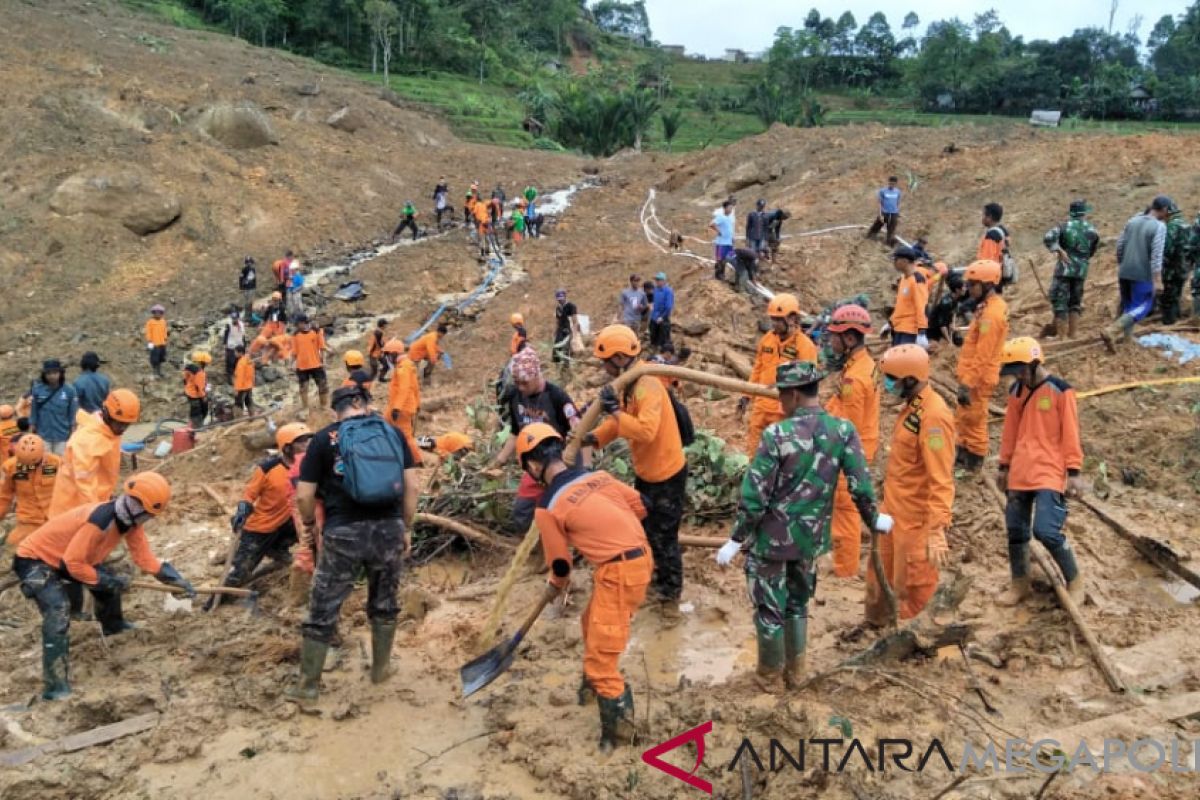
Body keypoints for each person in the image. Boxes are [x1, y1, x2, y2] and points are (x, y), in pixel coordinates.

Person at [716, 361, 883, 692]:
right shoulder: (843, 431)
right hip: (810, 541)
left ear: (792, 394)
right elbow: (860, 485)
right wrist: (874, 519)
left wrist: (735, 539)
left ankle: (769, 678)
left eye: (781, 395)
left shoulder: (777, 435)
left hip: (771, 543)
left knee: (769, 610)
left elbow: (755, 497)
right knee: (796, 605)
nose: (780, 401)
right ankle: (797, 674)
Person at [520, 424, 653, 750]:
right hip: (640, 558)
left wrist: (556, 585)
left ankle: (621, 742)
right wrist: (597, 531)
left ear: (534, 466)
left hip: (618, 573)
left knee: (602, 660)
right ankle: (591, 690)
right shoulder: (600, 477)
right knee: (588, 622)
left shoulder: (547, 505)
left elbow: (561, 566)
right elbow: (642, 505)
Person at [290, 386, 419, 703]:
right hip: (388, 529)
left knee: (323, 607)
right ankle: (380, 670)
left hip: (343, 531)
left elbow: (304, 495)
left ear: (337, 411)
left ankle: (307, 688)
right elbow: (412, 486)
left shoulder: (322, 440)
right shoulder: (391, 433)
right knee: (385, 602)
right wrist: (406, 527)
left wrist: (309, 526)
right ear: (363, 404)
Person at [14, 472, 193, 699]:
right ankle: (55, 686)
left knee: (109, 583)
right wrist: (107, 581)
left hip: (68, 559)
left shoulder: (129, 522)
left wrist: (172, 579)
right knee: (58, 610)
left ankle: (113, 626)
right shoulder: (100, 521)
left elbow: (144, 558)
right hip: (36, 559)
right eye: (148, 514)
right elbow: (74, 564)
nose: (149, 519)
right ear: (136, 506)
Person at [582, 325, 687, 621]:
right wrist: (596, 437)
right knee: (647, 531)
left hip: (666, 474)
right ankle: (657, 582)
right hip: (648, 473)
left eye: (605, 361)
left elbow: (646, 430)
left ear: (618, 357)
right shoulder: (630, 384)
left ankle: (670, 596)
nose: (603, 368)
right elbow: (621, 423)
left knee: (665, 536)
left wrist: (615, 412)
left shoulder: (647, 385)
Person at [866, 345, 954, 624]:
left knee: (914, 590)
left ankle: (913, 647)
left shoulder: (934, 417)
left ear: (911, 380)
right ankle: (877, 628)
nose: (888, 384)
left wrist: (937, 529)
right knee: (880, 578)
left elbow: (941, 479)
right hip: (893, 512)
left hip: (915, 523)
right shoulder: (912, 410)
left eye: (892, 379)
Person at [996, 337, 1086, 605]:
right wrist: (1004, 466)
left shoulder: (1061, 391)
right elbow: (1010, 431)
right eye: (1015, 372)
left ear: (1035, 364)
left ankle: (1075, 580)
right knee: (1015, 529)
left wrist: (1074, 472)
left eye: (1021, 370)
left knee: (1046, 530)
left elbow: (1071, 432)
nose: (1019, 376)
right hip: (1021, 470)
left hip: (1050, 469)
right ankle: (1019, 583)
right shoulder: (1016, 393)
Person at [213, 423, 313, 607]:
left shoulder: (310, 465)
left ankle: (277, 549)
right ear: (287, 447)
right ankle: (216, 601)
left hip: (287, 521)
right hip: (260, 528)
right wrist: (243, 509)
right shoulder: (268, 469)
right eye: (301, 442)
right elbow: (249, 494)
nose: (307, 444)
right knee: (240, 572)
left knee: (311, 530)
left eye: (309, 439)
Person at [487, 348, 580, 532]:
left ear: (537, 374)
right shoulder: (515, 397)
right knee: (522, 510)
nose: (521, 387)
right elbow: (515, 432)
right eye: (517, 383)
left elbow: (578, 430)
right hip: (533, 467)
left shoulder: (556, 397)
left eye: (525, 383)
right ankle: (527, 549)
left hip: (557, 463)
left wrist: (580, 467)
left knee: (561, 508)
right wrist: (499, 461)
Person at [823, 305, 881, 578]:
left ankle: (845, 571)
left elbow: (847, 424)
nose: (830, 340)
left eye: (834, 335)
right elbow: (840, 406)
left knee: (845, 509)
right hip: (861, 444)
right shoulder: (862, 365)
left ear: (848, 338)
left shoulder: (855, 378)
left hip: (851, 450)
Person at [739, 293, 818, 456]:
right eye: (772, 319)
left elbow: (809, 384)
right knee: (754, 451)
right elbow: (757, 369)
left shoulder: (805, 347)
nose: (774, 323)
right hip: (761, 407)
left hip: (785, 410)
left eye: (778, 319)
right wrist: (746, 396)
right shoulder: (767, 340)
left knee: (781, 454)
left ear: (791, 319)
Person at [48, 389, 140, 518]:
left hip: (94, 501)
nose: (123, 429)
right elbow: (85, 485)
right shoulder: (87, 441)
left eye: (127, 425)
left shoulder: (109, 430)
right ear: (106, 414)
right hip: (73, 508)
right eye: (120, 424)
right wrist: (98, 514)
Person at [955, 260, 1009, 472]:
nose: (969, 289)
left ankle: (974, 460)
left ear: (987, 284)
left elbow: (983, 355)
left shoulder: (991, 315)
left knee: (975, 420)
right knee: (965, 416)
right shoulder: (989, 307)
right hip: (974, 374)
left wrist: (967, 383)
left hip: (978, 378)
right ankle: (962, 453)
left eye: (973, 284)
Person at [1102, 200, 1168, 350]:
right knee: (1143, 305)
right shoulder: (1159, 226)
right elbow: (1157, 255)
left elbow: (1120, 245)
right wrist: (1157, 280)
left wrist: (1122, 263)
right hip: (1142, 273)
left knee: (1128, 304)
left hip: (1124, 270)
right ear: (1163, 209)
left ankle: (1127, 339)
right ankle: (1112, 330)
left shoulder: (1132, 221)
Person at [1042, 201, 1100, 339]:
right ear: (1084, 213)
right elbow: (1092, 250)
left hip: (1064, 269)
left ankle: (1061, 337)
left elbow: (1048, 238)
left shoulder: (1064, 227)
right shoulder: (1093, 230)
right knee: (1075, 301)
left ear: (1071, 212)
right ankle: (1073, 334)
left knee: (1060, 300)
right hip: (1081, 270)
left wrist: (1059, 250)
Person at [0, 434, 60, 548]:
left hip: (53, 519)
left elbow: (68, 489)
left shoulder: (56, 463)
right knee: (10, 552)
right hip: (28, 521)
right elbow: (4, 496)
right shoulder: (10, 467)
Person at [383, 339, 422, 465]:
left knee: (406, 436)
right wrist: (417, 404)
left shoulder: (403, 368)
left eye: (388, 354)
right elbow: (415, 387)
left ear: (394, 354)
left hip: (400, 408)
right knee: (385, 427)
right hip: (402, 406)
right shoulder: (408, 365)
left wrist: (397, 408)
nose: (387, 358)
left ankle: (417, 461)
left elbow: (404, 388)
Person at [30, 360, 78, 457]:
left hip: (63, 436)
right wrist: (32, 427)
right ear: (44, 375)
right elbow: (34, 411)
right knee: (46, 465)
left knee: (61, 465)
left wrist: (73, 431)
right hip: (43, 435)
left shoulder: (69, 390)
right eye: (48, 373)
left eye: (55, 373)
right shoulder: (37, 390)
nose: (52, 376)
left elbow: (72, 413)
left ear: (60, 373)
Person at [888, 247, 929, 347]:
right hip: (899, 328)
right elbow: (901, 306)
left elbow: (921, 307)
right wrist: (890, 323)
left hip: (910, 331)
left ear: (904, 261)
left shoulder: (917, 280)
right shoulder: (903, 279)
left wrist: (921, 331)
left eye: (896, 259)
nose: (894, 263)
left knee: (905, 361)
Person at [1160, 199, 1190, 325]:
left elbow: (1167, 249)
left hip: (1171, 269)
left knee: (1167, 299)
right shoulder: (1186, 225)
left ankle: (1169, 324)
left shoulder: (1172, 226)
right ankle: (1176, 320)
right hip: (1184, 267)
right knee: (1176, 296)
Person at [292, 315, 329, 412]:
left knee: (322, 385)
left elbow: (322, 347)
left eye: (298, 323)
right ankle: (305, 407)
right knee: (303, 388)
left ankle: (323, 406)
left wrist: (324, 361)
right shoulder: (295, 335)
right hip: (302, 366)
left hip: (316, 364)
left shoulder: (316, 331)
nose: (296, 325)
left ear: (303, 323)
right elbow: (294, 352)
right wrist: (292, 363)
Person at [867, 176, 902, 246]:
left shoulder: (898, 192)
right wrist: (880, 213)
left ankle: (889, 242)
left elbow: (898, 202)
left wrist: (898, 212)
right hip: (884, 212)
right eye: (891, 183)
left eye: (894, 183)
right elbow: (880, 203)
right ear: (888, 182)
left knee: (891, 228)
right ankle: (870, 235)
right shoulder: (883, 191)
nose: (892, 185)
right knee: (877, 224)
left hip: (894, 213)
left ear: (896, 184)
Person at [183, 351, 211, 429]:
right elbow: (199, 387)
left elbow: (185, 379)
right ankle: (197, 428)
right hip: (195, 394)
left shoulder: (189, 368)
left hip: (189, 392)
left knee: (195, 410)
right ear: (203, 363)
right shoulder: (199, 372)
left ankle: (192, 425)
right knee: (197, 411)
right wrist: (203, 396)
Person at [709, 198, 736, 277]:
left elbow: (731, 228)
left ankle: (723, 274)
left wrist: (732, 237)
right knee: (720, 259)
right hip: (721, 243)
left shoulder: (730, 218)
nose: (731, 210)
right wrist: (719, 231)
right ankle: (718, 276)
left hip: (729, 242)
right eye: (729, 208)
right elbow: (711, 224)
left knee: (727, 259)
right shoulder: (721, 217)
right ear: (725, 208)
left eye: (732, 208)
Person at [552, 289, 579, 367]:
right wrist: (554, 333)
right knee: (556, 349)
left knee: (566, 350)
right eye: (559, 299)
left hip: (568, 330)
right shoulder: (558, 308)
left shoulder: (571, 306)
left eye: (561, 298)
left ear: (565, 297)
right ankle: (558, 368)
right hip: (560, 331)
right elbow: (557, 322)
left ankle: (567, 367)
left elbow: (575, 321)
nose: (560, 301)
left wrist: (575, 335)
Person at [650, 272, 674, 351]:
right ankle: (653, 351)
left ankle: (664, 354)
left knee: (664, 338)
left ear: (663, 281)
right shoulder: (655, 290)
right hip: (654, 317)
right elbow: (654, 302)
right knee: (653, 336)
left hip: (663, 318)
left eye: (658, 280)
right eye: (656, 280)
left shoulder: (668, 291)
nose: (656, 281)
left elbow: (668, 306)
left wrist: (662, 317)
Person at [145, 304, 169, 378]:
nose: (158, 314)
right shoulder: (150, 322)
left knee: (161, 358)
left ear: (162, 313)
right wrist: (149, 342)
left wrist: (165, 338)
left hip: (162, 343)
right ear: (153, 313)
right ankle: (154, 372)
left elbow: (165, 331)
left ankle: (159, 371)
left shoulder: (163, 321)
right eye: (156, 312)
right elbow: (148, 332)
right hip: (154, 344)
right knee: (154, 358)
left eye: (160, 313)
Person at [222, 308, 246, 383]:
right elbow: (225, 335)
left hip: (239, 344)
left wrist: (245, 345)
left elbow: (243, 335)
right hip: (231, 345)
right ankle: (229, 375)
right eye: (233, 318)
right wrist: (225, 344)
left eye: (235, 318)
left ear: (238, 318)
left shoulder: (241, 325)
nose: (234, 320)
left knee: (238, 361)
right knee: (229, 360)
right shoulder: (228, 325)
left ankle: (238, 374)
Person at [232, 345, 255, 417]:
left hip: (242, 387)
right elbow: (252, 373)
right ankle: (253, 416)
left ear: (240, 352)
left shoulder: (241, 362)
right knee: (249, 402)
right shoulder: (249, 360)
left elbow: (239, 377)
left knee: (238, 404)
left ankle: (239, 420)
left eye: (235, 352)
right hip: (249, 385)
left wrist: (236, 389)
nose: (234, 353)